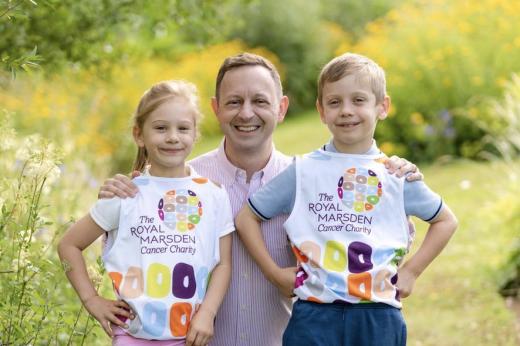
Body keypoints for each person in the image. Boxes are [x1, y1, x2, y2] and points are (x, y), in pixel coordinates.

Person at [98, 53, 423, 346]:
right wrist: (119, 199)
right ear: (216, 109)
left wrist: (395, 177)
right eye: (234, 102)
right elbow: (132, 250)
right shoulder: (178, 186)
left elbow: (379, 233)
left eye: (260, 101)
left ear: (281, 108)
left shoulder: (309, 180)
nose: (247, 113)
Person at [235, 52, 458, 346]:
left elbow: (445, 221)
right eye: (335, 102)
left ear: (383, 106)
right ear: (321, 110)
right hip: (314, 315)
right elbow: (245, 217)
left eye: (359, 100)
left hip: (377, 316)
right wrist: (273, 272)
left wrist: (412, 271)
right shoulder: (302, 171)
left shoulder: (396, 174)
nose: (346, 110)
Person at [58, 80, 234, 346]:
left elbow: (223, 264)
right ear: (139, 135)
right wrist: (92, 300)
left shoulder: (214, 195)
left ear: (195, 133)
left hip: (188, 336)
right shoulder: (125, 194)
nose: (173, 136)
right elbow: (68, 245)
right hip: (131, 335)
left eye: (183, 128)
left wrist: (207, 313)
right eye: (161, 128)